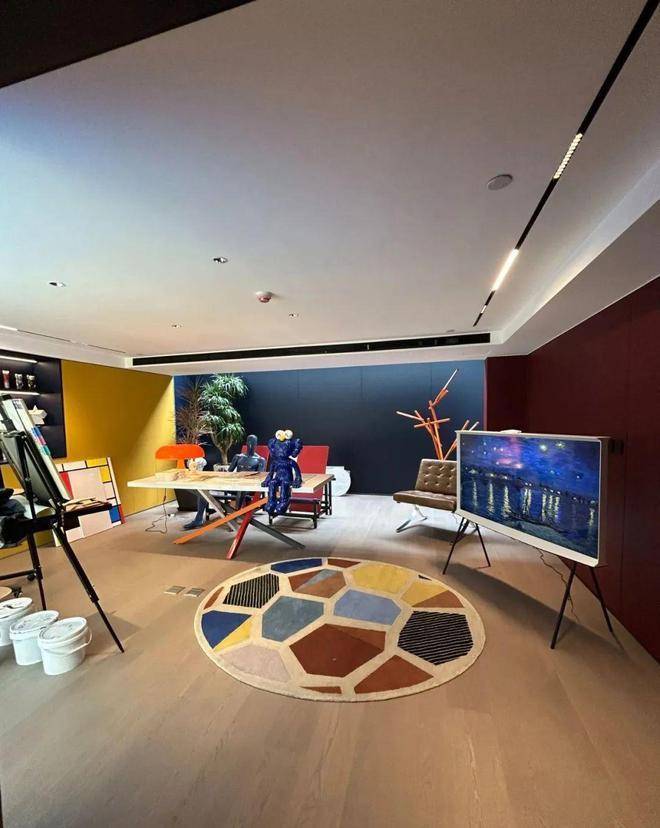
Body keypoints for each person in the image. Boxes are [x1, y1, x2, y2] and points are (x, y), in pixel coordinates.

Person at [183, 435, 266, 530]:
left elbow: (259, 478)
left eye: (253, 443)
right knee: (203, 488)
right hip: (234, 484)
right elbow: (228, 473)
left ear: (256, 444)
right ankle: (198, 518)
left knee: (241, 490)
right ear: (246, 443)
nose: (251, 445)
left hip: (247, 488)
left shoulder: (260, 460)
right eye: (249, 442)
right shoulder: (238, 457)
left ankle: (235, 518)